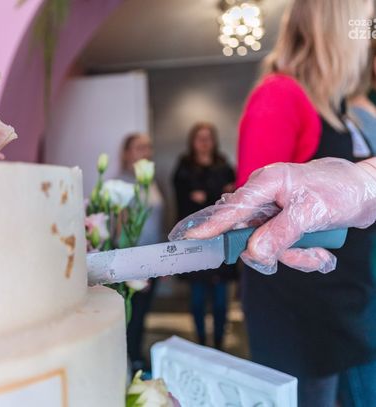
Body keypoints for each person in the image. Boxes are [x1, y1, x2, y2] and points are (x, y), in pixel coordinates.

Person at [176, 1, 376, 406]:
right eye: (368, 24)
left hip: (344, 298)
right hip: (299, 309)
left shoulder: (339, 109)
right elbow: (255, 210)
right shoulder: (280, 94)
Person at [172, 123, 235, 349]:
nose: (204, 142)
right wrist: (215, 193)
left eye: (208, 137)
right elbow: (184, 203)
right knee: (197, 299)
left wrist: (204, 195)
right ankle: (200, 342)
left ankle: (219, 344)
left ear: (214, 140)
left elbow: (230, 200)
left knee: (220, 300)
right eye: (200, 138)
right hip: (194, 241)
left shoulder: (224, 165)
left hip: (220, 239)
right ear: (193, 141)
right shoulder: (184, 167)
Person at [118, 132, 165, 373]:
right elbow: (118, 228)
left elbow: (158, 221)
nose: (145, 152)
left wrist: (164, 260)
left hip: (154, 256)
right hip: (134, 260)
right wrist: (132, 265)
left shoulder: (151, 180)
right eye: (139, 147)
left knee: (143, 311)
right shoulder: (120, 184)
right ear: (127, 153)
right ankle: (130, 359)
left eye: (148, 147)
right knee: (131, 313)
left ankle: (136, 355)